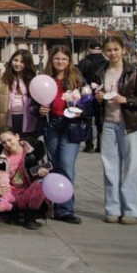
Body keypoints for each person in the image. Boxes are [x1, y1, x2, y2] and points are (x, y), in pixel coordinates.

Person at [95, 36, 137, 225]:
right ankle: (113, 208)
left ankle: (132, 210)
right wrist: (99, 98)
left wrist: (126, 100)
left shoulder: (133, 72)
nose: (112, 53)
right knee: (110, 167)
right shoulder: (100, 73)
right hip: (109, 124)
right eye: (109, 50)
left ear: (123, 51)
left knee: (131, 167)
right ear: (104, 52)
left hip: (131, 125)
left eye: (116, 49)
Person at [39, 45, 89, 224]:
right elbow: (35, 101)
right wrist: (40, 109)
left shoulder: (77, 79)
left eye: (64, 59)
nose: (60, 62)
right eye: (56, 58)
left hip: (71, 126)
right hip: (51, 125)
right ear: (51, 60)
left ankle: (66, 209)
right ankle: (52, 204)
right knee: (53, 165)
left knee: (67, 165)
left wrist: (80, 110)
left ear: (69, 61)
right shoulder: (45, 79)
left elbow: (88, 103)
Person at [0, 129, 52, 230]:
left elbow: (36, 177)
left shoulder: (32, 153)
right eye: (3, 142)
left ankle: (30, 216)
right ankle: (14, 211)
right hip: (9, 193)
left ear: (17, 136)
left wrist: (42, 175)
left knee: (42, 183)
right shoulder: (1, 157)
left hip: (27, 192)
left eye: (9, 139)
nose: (8, 144)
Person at [0, 49, 39, 140]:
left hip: (29, 121)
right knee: (10, 150)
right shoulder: (2, 80)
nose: (18, 64)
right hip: (7, 120)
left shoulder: (33, 80)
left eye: (22, 62)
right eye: (15, 60)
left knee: (27, 149)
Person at [78, 40, 109, 153]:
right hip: (102, 95)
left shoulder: (84, 62)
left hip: (87, 96)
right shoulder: (106, 63)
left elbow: (78, 78)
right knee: (100, 120)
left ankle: (89, 145)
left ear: (89, 49)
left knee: (87, 121)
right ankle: (101, 145)